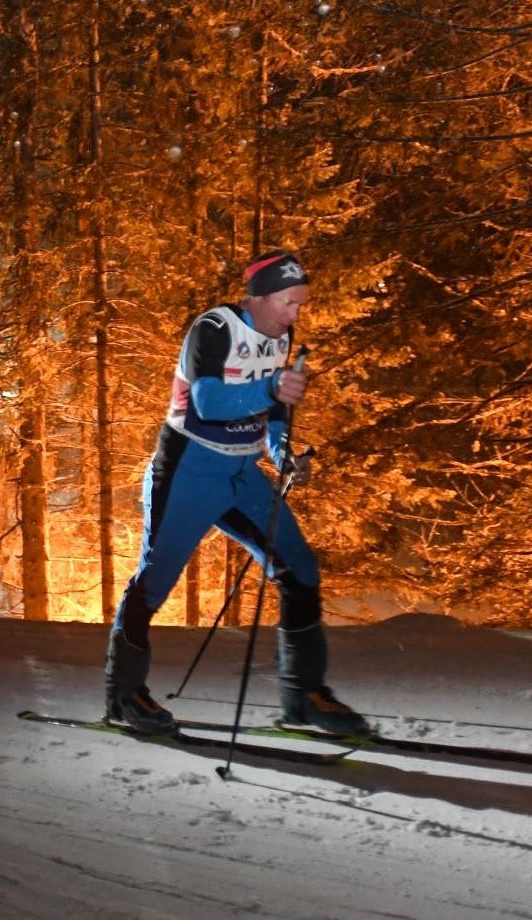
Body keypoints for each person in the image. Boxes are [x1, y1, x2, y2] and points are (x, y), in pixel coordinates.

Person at [104, 249, 367, 737]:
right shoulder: (215, 328)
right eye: (289, 304)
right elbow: (206, 402)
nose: (296, 315)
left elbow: (274, 414)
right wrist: (272, 388)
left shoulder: (280, 336)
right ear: (258, 299)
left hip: (242, 471)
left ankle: (304, 697)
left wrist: (283, 452)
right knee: (156, 579)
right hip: (189, 466)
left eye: (300, 306)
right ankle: (124, 695)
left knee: (300, 570)